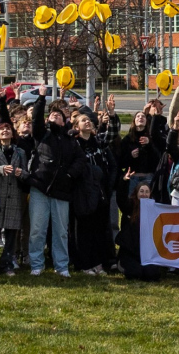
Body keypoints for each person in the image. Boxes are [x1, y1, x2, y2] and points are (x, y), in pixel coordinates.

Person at [27, 86, 86, 277]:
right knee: (37, 229)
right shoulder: (41, 134)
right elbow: (36, 118)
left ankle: (62, 266)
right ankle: (37, 264)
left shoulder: (70, 140)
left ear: (64, 121)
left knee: (60, 231)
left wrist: (69, 175)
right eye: (52, 114)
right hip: (40, 188)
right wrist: (41, 98)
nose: (54, 116)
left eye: (58, 115)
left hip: (61, 191)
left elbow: (80, 161)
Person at [72, 112, 117, 276]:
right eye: (83, 120)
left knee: (99, 229)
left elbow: (112, 163)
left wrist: (109, 185)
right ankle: (85, 264)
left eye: (89, 120)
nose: (88, 122)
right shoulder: (74, 144)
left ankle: (98, 263)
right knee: (84, 230)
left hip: (101, 191)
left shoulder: (99, 142)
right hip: (83, 192)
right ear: (77, 127)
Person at [0, 120, 28, 277]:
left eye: (8, 129)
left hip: (14, 196)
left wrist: (20, 173)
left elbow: (26, 174)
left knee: (11, 234)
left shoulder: (20, 152)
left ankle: (7, 264)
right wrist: (1, 169)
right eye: (2, 130)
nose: (5, 131)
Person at [115, 181, 161, 281]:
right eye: (141, 191)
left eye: (146, 192)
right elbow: (121, 199)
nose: (144, 194)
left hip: (146, 252)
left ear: (150, 194)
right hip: (130, 250)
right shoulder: (129, 206)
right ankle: (120, 264)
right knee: (135, 273)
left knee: (151, 274)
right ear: (136, 193)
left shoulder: (154, 209)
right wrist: (125, 181)